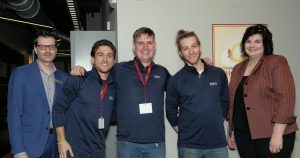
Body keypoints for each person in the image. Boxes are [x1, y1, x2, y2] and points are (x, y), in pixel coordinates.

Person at [71, 27, 171, 158]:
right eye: (140, 43)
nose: (145, 47)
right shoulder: (119, 69)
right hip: (127, 143)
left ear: (155, 46)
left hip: (156, 143)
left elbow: (181, 88)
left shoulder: (162, 72)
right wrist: (81, 70)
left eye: (149, 43)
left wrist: (201, 66)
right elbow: (99, 73)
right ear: (134, 47)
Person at [227, 24, 298, 158]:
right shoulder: (238, 68)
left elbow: (285, 100)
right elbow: (234, 102)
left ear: (265, 43)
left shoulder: (276, 62)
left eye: (257, 41)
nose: (252, 45)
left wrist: (277, 135)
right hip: (244, 136)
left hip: (271, 134)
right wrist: (231, 131)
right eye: (248, 41)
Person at [166, 30, 229, 158]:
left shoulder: (218, 74)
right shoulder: (175, 80)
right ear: (180, 52)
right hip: (189, 146)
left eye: (194, 46)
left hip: (217, 145)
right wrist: (183, 131)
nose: (191, 51)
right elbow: (170, 111)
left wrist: (217, 120)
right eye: (185, 48)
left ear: (200, 47)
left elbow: (225, 102)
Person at [7, 31, 68, 158]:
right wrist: (18, 150)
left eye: (51, 46)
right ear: (35, 49)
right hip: (31, 144)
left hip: (57, 142)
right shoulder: (21, 74)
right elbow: (14, 115)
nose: (47, 50)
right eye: (42, 46)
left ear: (56, 50)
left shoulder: (63, 78)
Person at [52, 39, 116, 158]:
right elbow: (58, 109)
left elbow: (114, 117)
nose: (105, 59)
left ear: (114, 61)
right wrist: (61, 142)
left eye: (109, 55)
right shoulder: (79, 79)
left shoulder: (113, 87)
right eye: (100, 55)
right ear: (93, 59)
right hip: (73, 151)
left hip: (98, 151)